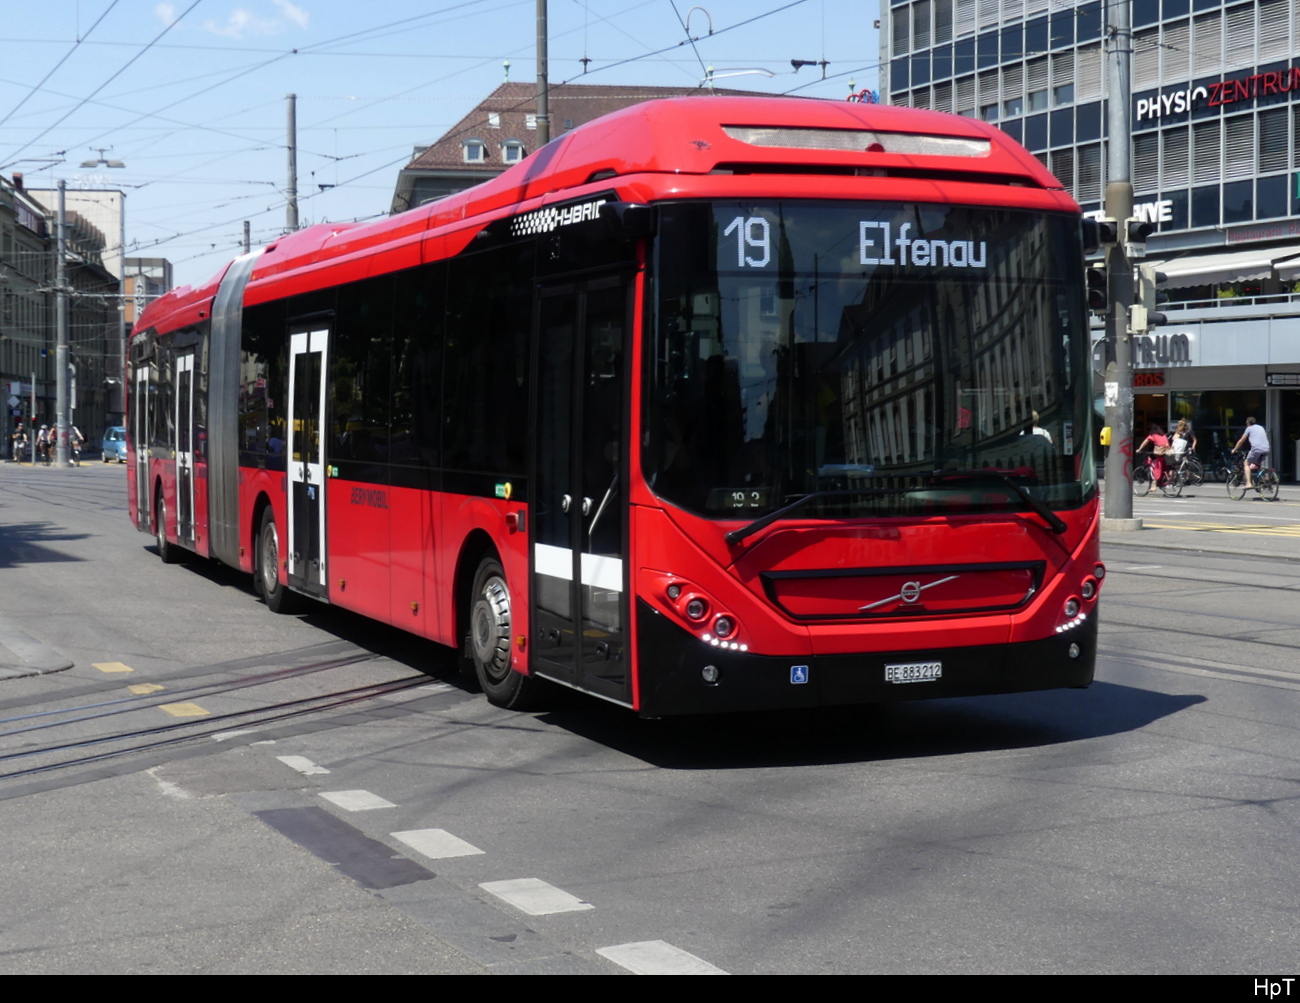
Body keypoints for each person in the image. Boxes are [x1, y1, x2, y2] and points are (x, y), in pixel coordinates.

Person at [1234, 417, 1270, 490]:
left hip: (1256, 449)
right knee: (1260, 465)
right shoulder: (1260, 427)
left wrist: (1235, 449)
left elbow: (1241, 441)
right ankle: (1266, 479)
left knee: (1246, 463)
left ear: (1248, 423)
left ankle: (1248, 484)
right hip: (1266, 448)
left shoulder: (1249, 428)